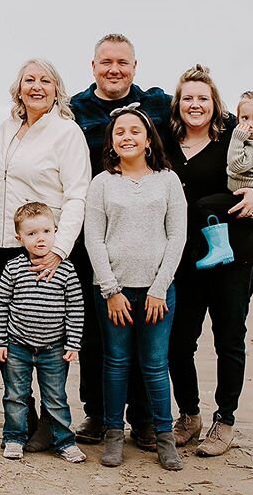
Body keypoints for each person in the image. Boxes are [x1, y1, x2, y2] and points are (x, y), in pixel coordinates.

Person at [166, 66, 253, 457]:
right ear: (178, 103)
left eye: (203, 98)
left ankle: (225, 421)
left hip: (235, 255)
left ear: (213, 102)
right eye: (188, 98)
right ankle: (189, 415)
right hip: (184, 256)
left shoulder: (234, 133)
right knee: (179, 342)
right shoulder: (166, 139)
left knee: (228, 339)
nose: (195, 104)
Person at [69, 33, 171, 448]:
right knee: (96, 335)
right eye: (106, 62)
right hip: (91, 238)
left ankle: (144, 419)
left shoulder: (157, 106)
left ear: (135, 67)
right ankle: (98, 415)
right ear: (92, 66)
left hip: (147, 239)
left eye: (123, 63)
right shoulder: (74, 110)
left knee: (146, 336)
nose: (115, 69)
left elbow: (217, 121)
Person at [0, 57, 90, 449]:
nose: (36, 86)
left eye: (44, 80)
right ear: (18, 88)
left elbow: (77, 194)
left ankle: (52, 420)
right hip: (4, 247)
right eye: (29, 79)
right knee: (4, 333)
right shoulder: (7, 128)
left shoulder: (66, 133)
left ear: (56, 89)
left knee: (49, 334)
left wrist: (60, 250)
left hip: (47, 250)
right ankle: (23, 415)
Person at [84, 105, 186, 471]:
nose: (127, 136)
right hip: (115, 293)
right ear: (111, 142)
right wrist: (111, 290)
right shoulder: (102, 183)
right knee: (115, 363)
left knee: (156, 365)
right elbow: (93, 239)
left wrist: (160, 288)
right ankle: (113, 433)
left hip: (158, 292)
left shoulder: (167, 181)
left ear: (147, 140)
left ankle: (164, 437)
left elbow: (177, 236)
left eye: (134, 131)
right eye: (119, 132)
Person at [0, 202, 85, 464]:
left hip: (54, 346)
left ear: (56, 231)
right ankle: (13, 437)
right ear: (19, 237)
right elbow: (0, 304)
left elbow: (75, 308)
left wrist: (73, 343)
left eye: (46, 231)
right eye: (32, 234)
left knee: (55, 398)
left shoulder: (66, 270)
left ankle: (64, 441)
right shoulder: (13, 268)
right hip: (17, 344)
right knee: (15, 395)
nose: (40, 238)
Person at [193, 90, 253, 269]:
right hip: (235, 193)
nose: (249, 125)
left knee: (204, 205)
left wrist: (237, 136)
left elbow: (237, 165)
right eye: (245, 118)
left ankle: (221, 248)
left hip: (241, 198)